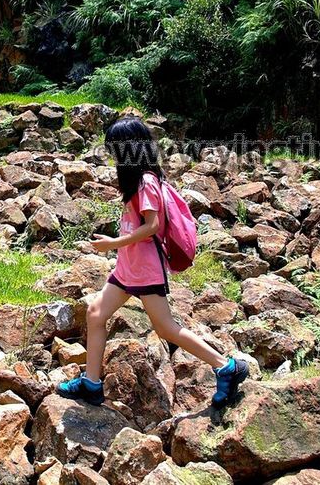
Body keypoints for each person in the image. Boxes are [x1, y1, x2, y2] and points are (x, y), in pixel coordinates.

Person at [58, 116, 249, 408]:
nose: (112, 154)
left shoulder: (146, 180)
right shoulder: (138, 179)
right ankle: (91, 384)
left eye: (115, 148)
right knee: (96, 313)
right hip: (129, 266)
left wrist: (112, 244)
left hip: (145, 269)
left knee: (166, 328)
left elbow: (152, 226)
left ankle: (226, 366)